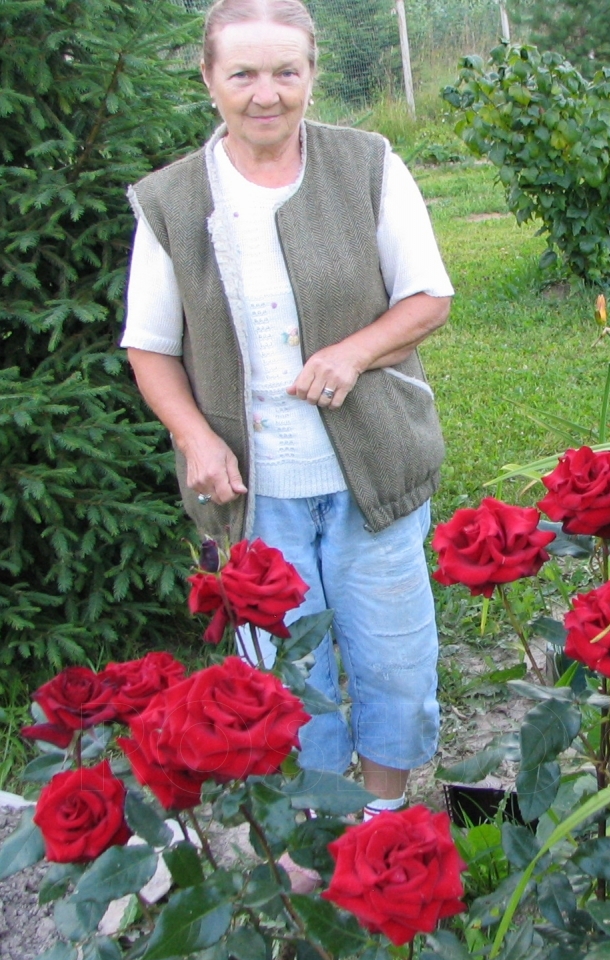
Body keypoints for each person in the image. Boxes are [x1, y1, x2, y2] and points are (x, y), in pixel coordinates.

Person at [120, 0, 452, 825]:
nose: (264, 93)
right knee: (284, 679)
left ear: (310, 74)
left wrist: (352, 353)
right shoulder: (170, 201)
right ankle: (317, 830)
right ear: (209, 79)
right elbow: (149, 346)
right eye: (242, 73)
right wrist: (195, 438)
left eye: (284, 72)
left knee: (395, 667)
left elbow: (427, 298)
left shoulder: (367, 164)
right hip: (253, 493)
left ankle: (380, 824)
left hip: (372, 469)